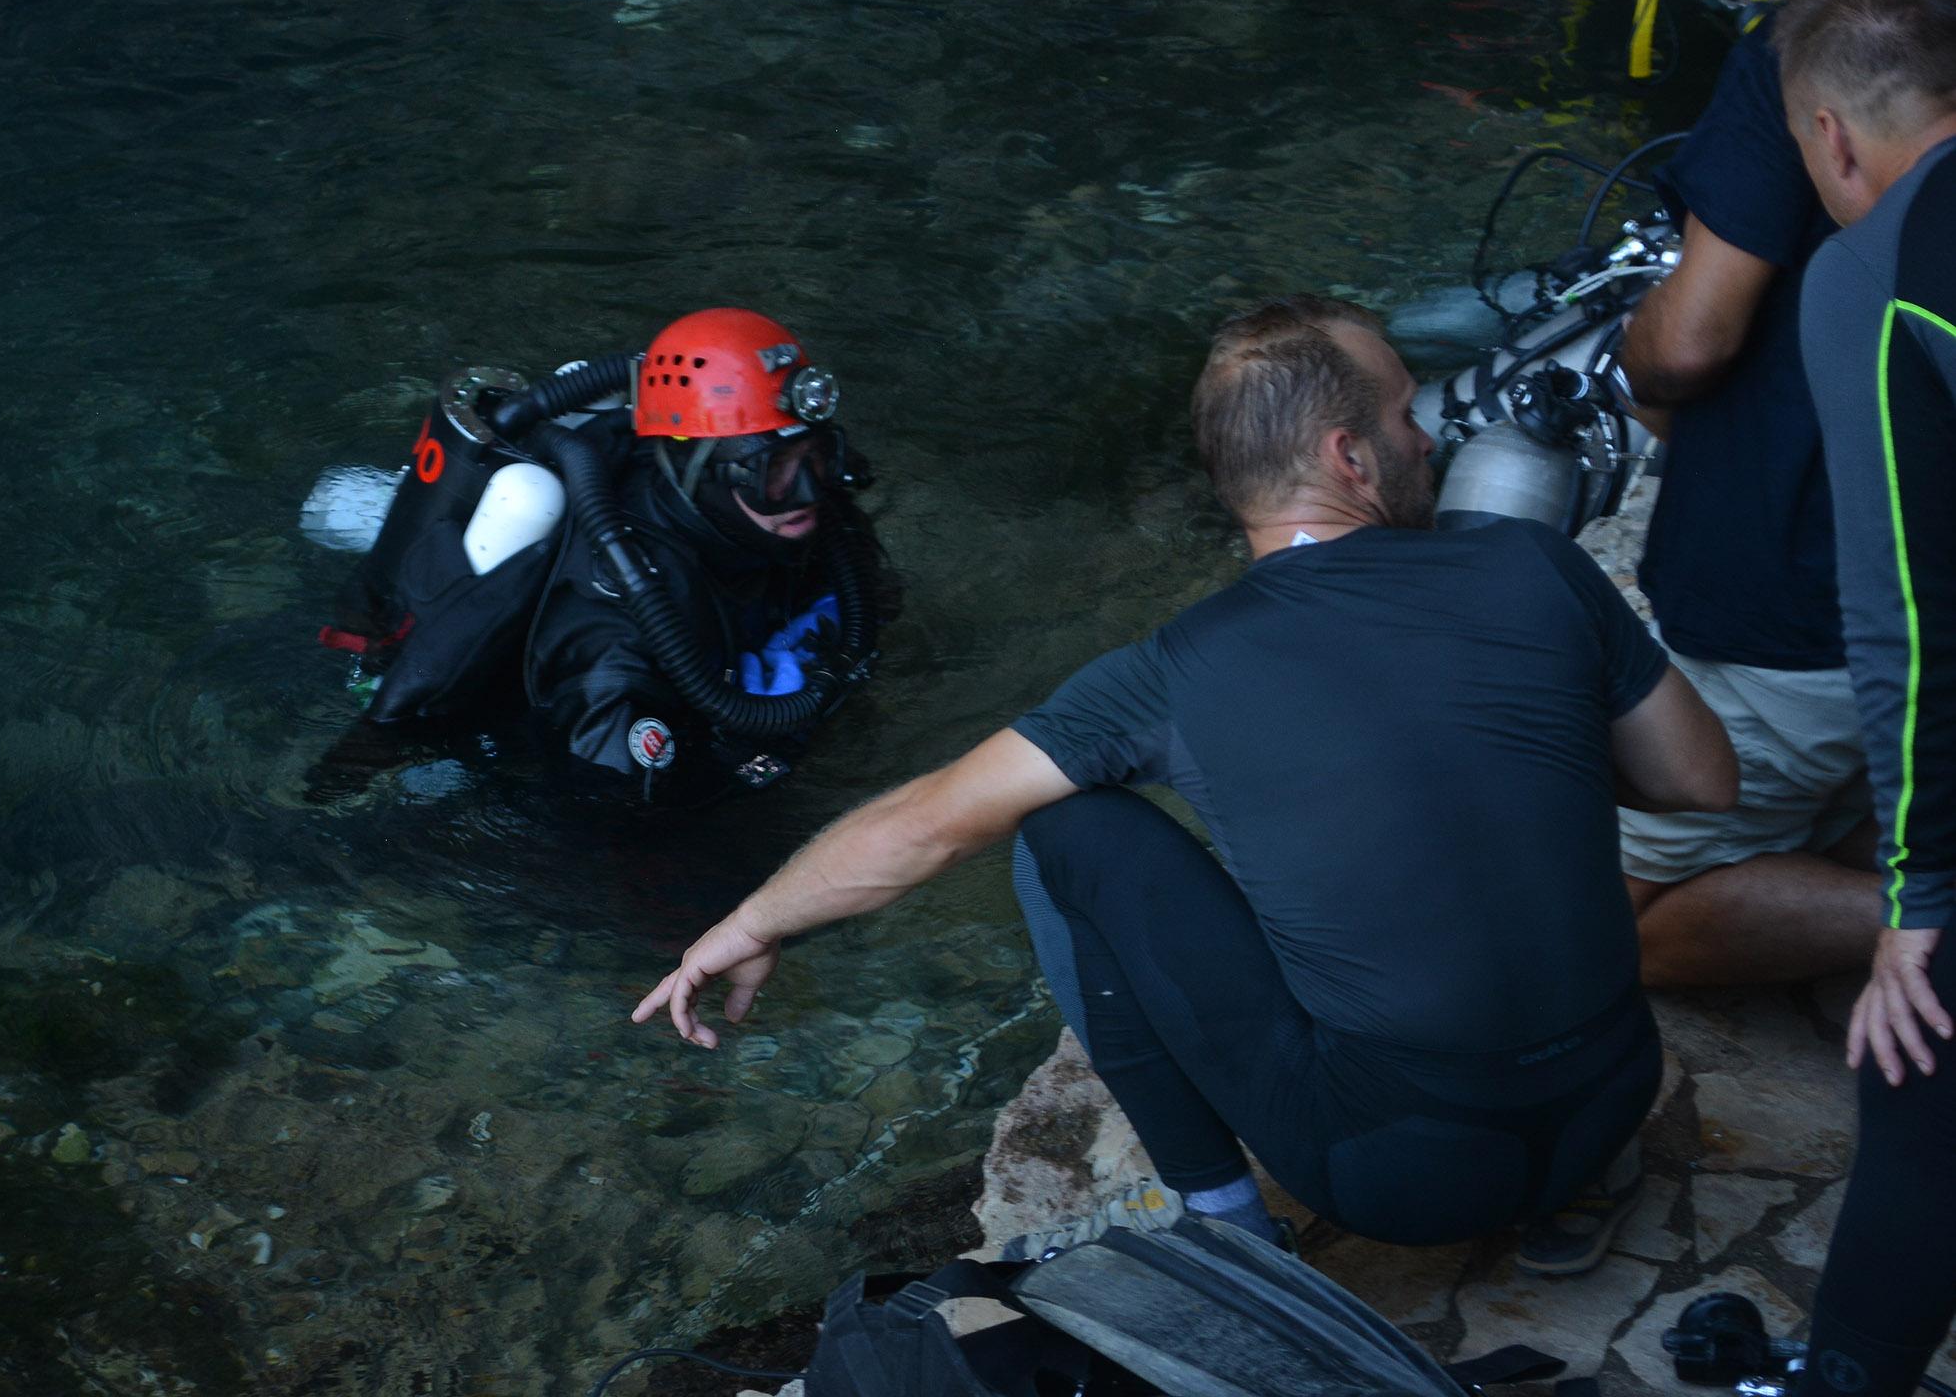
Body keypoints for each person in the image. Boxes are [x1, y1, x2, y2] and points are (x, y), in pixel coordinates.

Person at [634, 296, 1736, 1272]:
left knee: (1068, 833)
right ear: (1351, 456)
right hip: (1608, 1105)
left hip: (1403, 1178)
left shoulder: (1173, 672)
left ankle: (1226, 1230)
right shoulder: (1529, 565)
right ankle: (1570, 1200)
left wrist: (751, 920)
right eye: (1408, 416)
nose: (1427, 438)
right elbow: (1699, 779)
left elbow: (923, 829)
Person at [1613, 0, 1956, 988]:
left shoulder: (1827, 40)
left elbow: (1693, 340)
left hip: (1793, 606)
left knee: (1612, 919)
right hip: (1927, 608)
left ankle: (1924, 925)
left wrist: (1638, 362)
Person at [312, 307, 889, 806]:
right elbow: (615, 810)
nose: (813, 494)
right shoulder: (616, 634)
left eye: (816, 459)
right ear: (698, 474)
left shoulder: (789, 519)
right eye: (776, 477)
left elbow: (873, 598)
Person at [1774, 0, 1956, 1397]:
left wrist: (1917, 904)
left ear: (1835, 136)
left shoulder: (1878, 272)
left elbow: (1905, 616)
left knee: (1922, 1058)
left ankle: (1848, 1379)